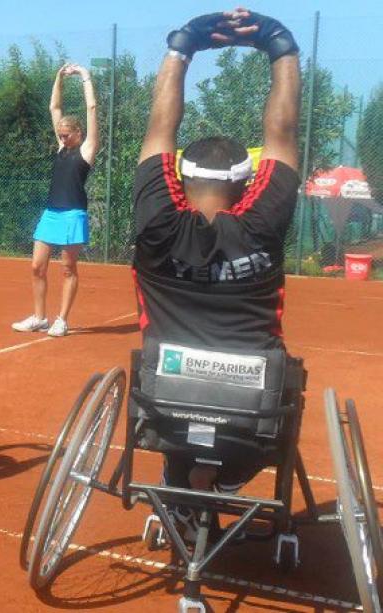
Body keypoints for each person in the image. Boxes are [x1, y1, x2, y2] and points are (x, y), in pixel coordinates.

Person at [132, 8, 300, 517]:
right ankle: (223, 479)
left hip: (165, 415)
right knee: (282, 386)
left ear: (178, 178)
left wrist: (182, 47)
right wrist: (280, 46)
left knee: (179, 424)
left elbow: (160, 126)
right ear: (248, 183)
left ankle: (182, 474)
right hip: (254, 425)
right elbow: (283, 133)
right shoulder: (263, 223)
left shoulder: (158, 222)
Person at [11, 62, 99, 337]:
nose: (60, 137)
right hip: (51, 213)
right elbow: (54, 108)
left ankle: (61, 319)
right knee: (37, 266)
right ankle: (40, 318)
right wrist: (59, 78)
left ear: (78, 134)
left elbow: (92, 109)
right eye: (59, 133)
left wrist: (84, 76)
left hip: (73, 214)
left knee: (68, 268)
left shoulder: (87, 149)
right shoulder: (62, 146)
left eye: (65, 134)